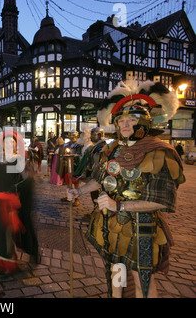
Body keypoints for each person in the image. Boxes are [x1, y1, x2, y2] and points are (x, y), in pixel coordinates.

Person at [66, 80, 185, 298]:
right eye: (122, 120)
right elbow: (100, 180)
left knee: (143, 283)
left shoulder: (160, 152)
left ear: (145, 123)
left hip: (143, 229)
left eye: (133, 120)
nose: (125, 125)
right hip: (111, 225)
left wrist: (117, 204)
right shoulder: (111, 149)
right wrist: (80, 192)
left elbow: (163, 201)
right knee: (116, 273)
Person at [0, 130, 38, 274]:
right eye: (6, 142)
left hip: (9, 204)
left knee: (7, 234)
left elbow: (25, 179)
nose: (9, 144)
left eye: (12, 142)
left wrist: (27, 173)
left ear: (17, 144)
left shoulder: (19, 160)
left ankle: (7, 262)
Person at [59, 131, 82, 206]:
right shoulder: (67, 144)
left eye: (72, 135)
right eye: (70, 135)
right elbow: (64, 153)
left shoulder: (79, 145)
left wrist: (74, 156)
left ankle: (77, 199)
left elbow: (80, 155)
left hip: (76, 165)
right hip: (67, 164)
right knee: (68, 182)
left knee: (76, 182)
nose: (71, 137)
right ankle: (69, 196)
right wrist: (63, 157)